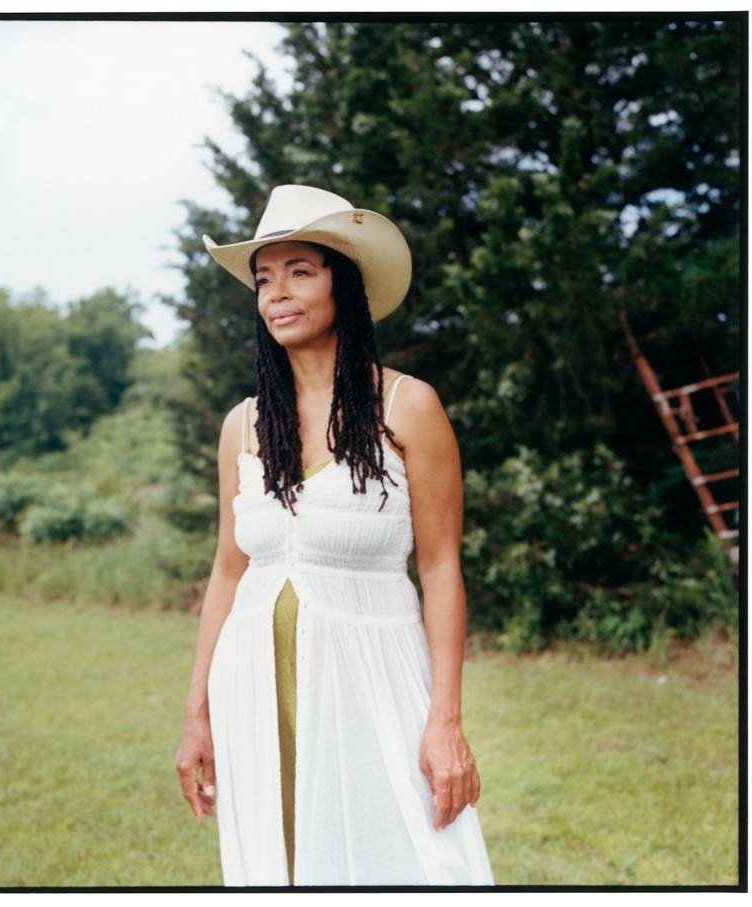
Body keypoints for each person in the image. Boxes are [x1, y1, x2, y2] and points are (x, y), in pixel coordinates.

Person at [175, 184, 493, 887]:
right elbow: (227, 572)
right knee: (278, 864)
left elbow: (441, 568)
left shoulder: (408, 407)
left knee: (415, 859)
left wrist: (445, 720)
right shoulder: (246, 425)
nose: (276, 293)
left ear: (342, 285)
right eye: (263, 278)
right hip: (253, 682)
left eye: (299, 271)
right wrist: (197, 712)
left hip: (374, 678)